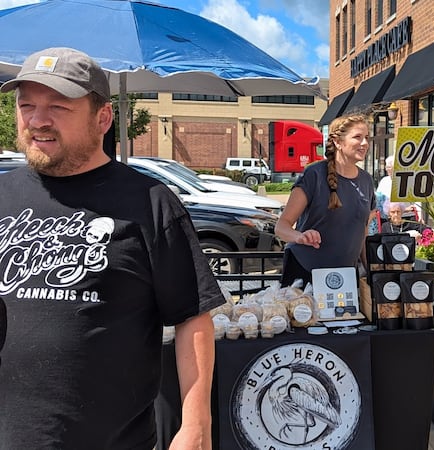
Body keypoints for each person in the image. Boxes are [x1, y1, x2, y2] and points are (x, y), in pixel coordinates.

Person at [0, 47, 224, 449]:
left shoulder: (150, 202)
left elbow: (192, 317)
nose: (37, 120)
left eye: (58, 106)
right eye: (27, 105)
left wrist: (196, 426)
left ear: (102, 118)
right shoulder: (2, 194)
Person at [275, 113, 376, 287]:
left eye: (367, 137)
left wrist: (372, 273)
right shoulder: (314, 174)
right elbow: (281, 226)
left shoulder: (367, 180)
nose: (365, 143)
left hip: (345, 277)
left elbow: (362, 234)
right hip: (305, 272)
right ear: (337, 142)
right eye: (357, 137)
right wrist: (300, 236)